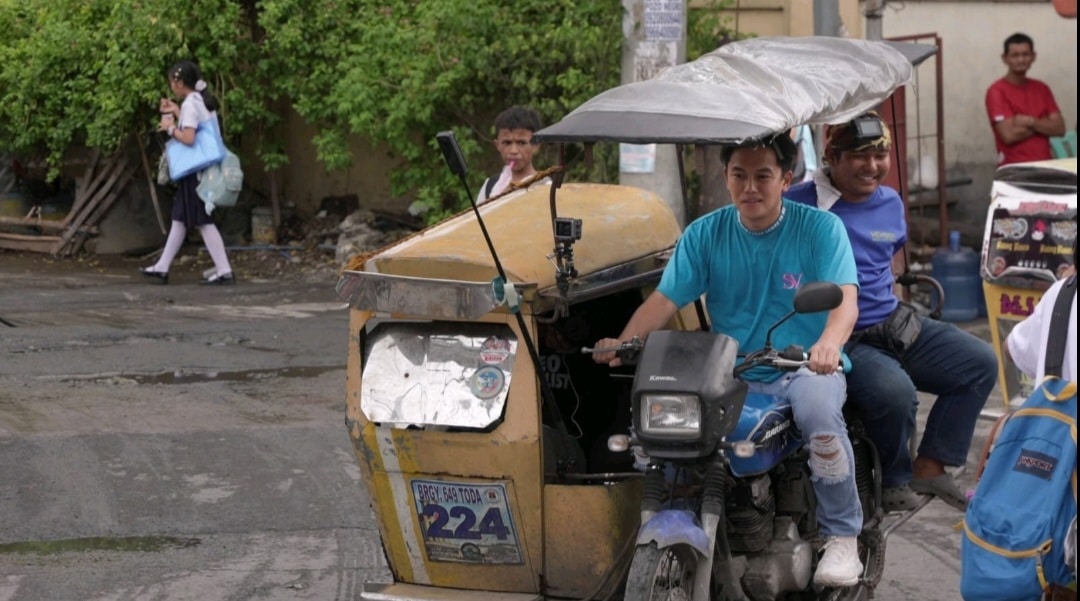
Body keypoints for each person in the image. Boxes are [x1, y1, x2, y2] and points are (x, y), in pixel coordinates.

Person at [592, 134, 865, 588]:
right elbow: (663, 300)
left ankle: (842, 535)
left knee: (818, 409)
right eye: (739, 175)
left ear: (786, 178)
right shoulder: (706, 232)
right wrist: (622, 342)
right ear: (726, 177)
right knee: (665, 431)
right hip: (728, 371)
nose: (750, 187)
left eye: (763, 176)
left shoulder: (820, 229)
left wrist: (829, 345)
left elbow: (846, 301)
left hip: (800, 367)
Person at [787, 112, 999, 514]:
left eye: (881, 154)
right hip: (841, 335)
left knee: (980, 363)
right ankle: (894, 479)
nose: (873, 166)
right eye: (859, 156)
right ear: (831, 156)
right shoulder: (800, 203)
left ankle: (930, 465)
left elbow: (888, 260)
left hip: (895, 320)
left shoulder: (890, 201)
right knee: (895, 393)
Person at [141, 61, 234, 285]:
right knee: (180, 218)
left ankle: (224, 270)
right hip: (200, 170)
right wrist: (176, 110)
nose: (170, 85)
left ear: (179, 83)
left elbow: (189, 138)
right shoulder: (196, 101)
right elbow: (197, 126)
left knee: (202, 220)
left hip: (195, 173)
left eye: (171, 81)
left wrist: (170, 128)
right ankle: (162, 267)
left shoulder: (191, 105)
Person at [984, 33, 1066, 166]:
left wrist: (1030, 122)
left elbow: (1060, 129)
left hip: (1047, 167)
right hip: (1014, 171)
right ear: (1004, 58)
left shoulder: (1042, 88)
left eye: (1025, 54)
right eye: (1015, 55)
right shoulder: (996, 91)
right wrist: (1043, 123)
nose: (1021, 60)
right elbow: (1009, 135)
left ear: (1033, 57)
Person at [1006, 240, 1076, 383]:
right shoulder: (1059, 292)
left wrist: (1063, 290)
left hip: (1057, 404)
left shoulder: (1059, 293)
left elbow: (1010, 348)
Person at [476, 106, 545, 205]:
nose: (513, 151)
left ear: (536, 145)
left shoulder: (546, 188)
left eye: (521, 143)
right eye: (507, 143)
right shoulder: (490, 186)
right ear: (497, 145)